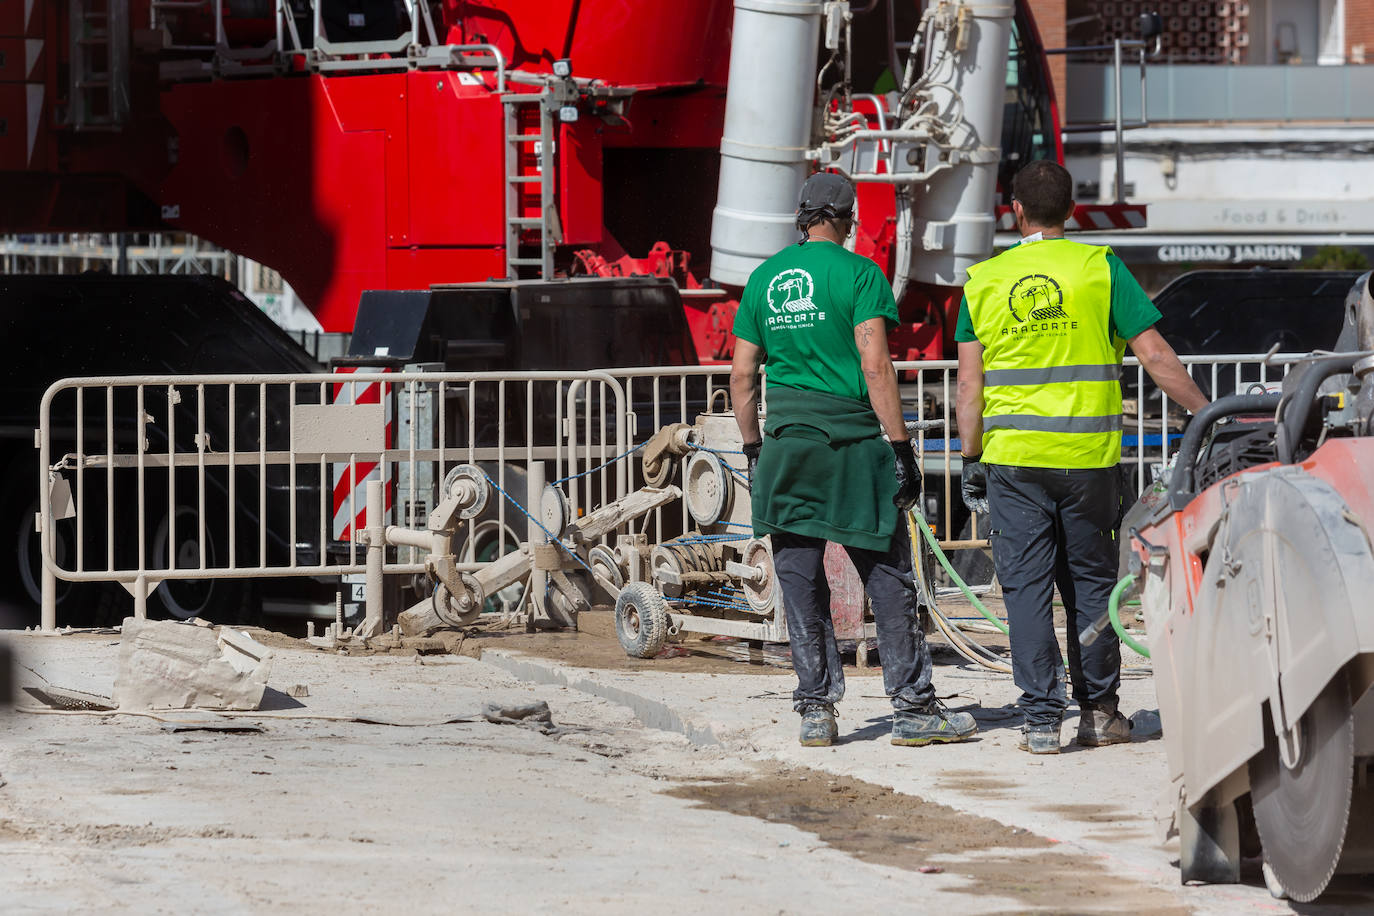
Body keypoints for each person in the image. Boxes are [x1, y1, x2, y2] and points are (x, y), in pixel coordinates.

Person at [954, 160, 1208, 755]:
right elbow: (1158, 357)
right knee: (1092, 586)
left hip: (1013, 461)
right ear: (1073, 211)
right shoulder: (1101, 269)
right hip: (1089, 460)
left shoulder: (984, 280)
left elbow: (970, 387)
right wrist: (1207, 412)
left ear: (1015, 210)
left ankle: (1041, 719)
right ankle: (1099, 712)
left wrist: (971, 458)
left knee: (1024, 588)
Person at [730, 171, 977, 749]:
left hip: (787, 447)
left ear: (801, 216)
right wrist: (900, 449)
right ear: (847, 220)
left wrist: (752, 448)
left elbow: (742, 375)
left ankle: (816, 711)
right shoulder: (862, 274)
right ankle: (913, 709)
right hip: (852, 446)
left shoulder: (764, 278)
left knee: (799, 580)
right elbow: (875, 366)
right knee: (887, 577)